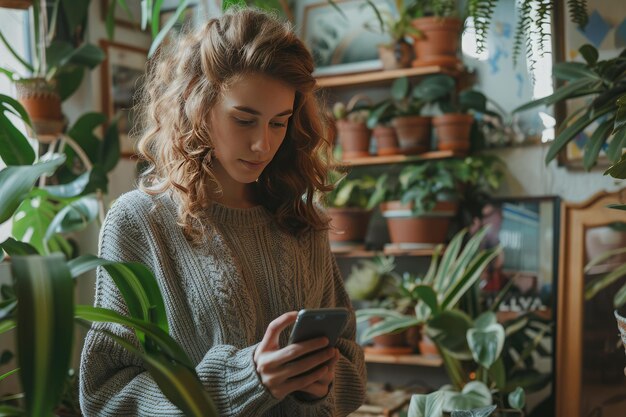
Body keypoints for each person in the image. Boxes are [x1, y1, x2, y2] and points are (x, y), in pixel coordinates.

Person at [79, 7, 366, 417]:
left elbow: (351, 365)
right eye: (244, 120)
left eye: (278, 123)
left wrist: (323, 386)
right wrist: (244, 381)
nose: (262, 145)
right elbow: (105, 395)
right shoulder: (139, 223)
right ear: (198, 106)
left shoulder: (299, 220)